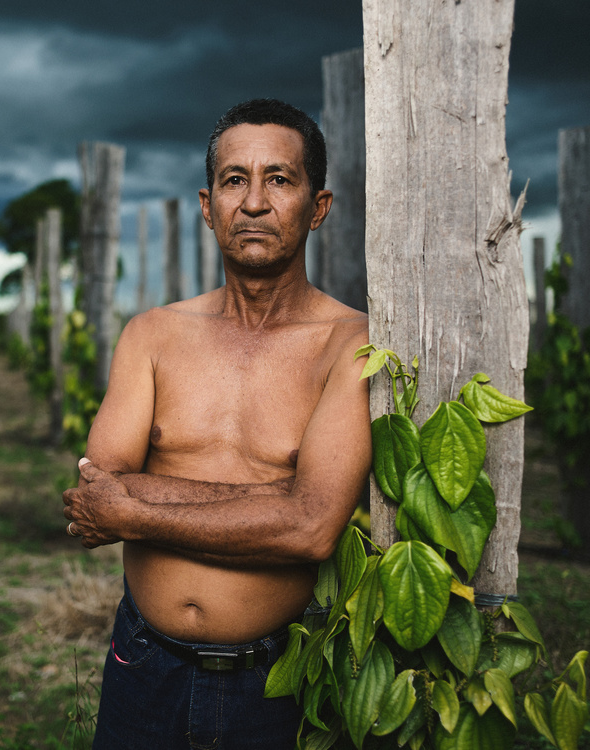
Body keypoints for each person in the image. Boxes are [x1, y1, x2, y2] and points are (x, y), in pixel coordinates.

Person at [62, 98, 372, 749]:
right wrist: (275, 502)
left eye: (279, 179)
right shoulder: (153, 334)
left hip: (277, 682)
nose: (253, 202)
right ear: (208, 206)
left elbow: (314, 527)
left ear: (318, 206)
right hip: (142, 665)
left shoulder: (351, 345)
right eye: (235, 180)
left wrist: (139, 512)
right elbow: (98, 489)